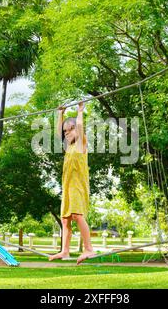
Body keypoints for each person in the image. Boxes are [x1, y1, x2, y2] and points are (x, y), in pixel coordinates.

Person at [49, 101, 96, 264]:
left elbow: (80, 127)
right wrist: (60, 114)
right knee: (65, 219)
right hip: (67, 187)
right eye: (66, 131)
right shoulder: (68, 148)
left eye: (71, 129)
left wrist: (80, 111)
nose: (68, 133)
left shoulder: (81, 144)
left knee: (76, 215)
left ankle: (89, 249)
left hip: (78, 186)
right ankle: (65, 251)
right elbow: (58, 135)